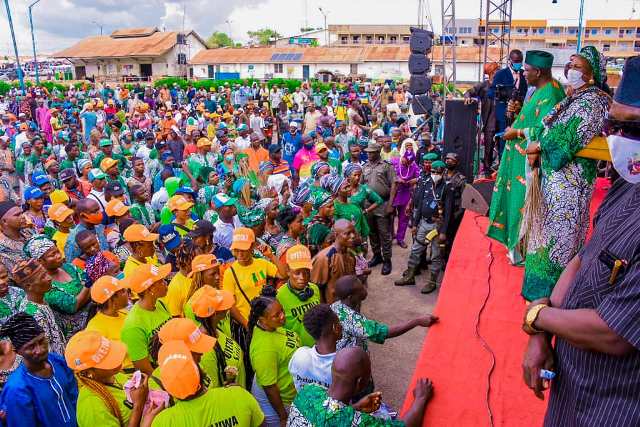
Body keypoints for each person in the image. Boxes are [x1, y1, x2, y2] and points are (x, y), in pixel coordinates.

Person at [521, 55, 640, 426]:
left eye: (632, 126)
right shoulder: (628, 185)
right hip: (570, 384)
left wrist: (538, 316)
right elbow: (582, 259)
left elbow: (614, 333)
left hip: (612, 404)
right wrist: (542, 332)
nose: (617, 136)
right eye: (614, 123)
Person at [520, 46, 610, 301]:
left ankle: (551, 299)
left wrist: (539, 144)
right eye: (570, 65)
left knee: (559, 240)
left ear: (592, 73)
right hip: (553, 182)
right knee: (543, 236)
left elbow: (567, 137)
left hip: (569, 186)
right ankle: (536, 295)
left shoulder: (594, 101)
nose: (571, 70)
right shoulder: (575, 96)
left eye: (578, 66)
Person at [487, 50, 565, 264]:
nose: (523, 73)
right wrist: (520, 110)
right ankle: (515, 246)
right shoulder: (538, 89)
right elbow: (534, 116)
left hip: (529, 164)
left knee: (524, 206)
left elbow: (548, 131)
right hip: (518, 160)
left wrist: (518, 133)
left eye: (527, 70)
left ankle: (522, 251)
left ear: (538, 71)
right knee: (515, 203)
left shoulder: (553, 93)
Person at [287, 346, 433, 427]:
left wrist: (356, 407)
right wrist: (420, 398)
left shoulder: (309, 390)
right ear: (359, 383)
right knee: (385, 413)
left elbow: (325, 415)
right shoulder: (356, 422)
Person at [150, 340, 265, 427]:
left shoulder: (164, 421)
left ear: (168, 389)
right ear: (201, 373)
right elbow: (260, 423)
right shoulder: (239, 395)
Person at [0, 312, 78, 427]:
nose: (40, 350)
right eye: (31, 347)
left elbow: (75, 398)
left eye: (41, 341)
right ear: (17, 351)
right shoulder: (17, 389)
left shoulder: (58, 362)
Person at [64, 330, 154, 427]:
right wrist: (138, 406)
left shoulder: (114, 375)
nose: (118, 360)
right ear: (89, 373)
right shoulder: (91, 406)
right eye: (107, 361)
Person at [332, 275, 438, 352]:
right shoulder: (353, 321)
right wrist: (417, 321)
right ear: (350, 297)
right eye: (361, 289)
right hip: (351, 365)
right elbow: (384, 332)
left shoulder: (337, 305)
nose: (365, 289)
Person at [394, 160, 453, 293]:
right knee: (415, 250)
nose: (434, 174)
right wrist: (415, 224)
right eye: (433, 172)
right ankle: (410, 276)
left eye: (437, 172)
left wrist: (443, 231)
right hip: (424, 223)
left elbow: (448, 212)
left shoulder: (447, 187)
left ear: (443, 172)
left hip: (437, 226)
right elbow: (419, 205)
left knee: (436, 255)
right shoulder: (426, 184)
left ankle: (432, 282)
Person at [248, 286, 300, 426]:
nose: (282, 316)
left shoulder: (272, 327)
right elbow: (270, 387)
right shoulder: (264, 349)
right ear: (262, 319)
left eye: (282, 311)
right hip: (280, 403)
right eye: (276, 315)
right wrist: (283, 416)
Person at [25, 236, 91, 339]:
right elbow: (73, 306)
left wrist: (84, 293)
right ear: (40, 261)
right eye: (53, 255)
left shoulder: (69, 267)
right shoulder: (45, 285)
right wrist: (87, 286)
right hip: (76, 332)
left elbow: (90, 287)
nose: (59, 256)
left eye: (57, 251)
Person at [186, 285, 247, 389]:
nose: (227, 308)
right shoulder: (204, 352)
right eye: (222, 305)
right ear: (214, 314)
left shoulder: (216, 331)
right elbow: (214, 390)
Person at [223, 227, 280, 330]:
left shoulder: (262, 263)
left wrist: (271, 256)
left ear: (252, 246)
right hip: (248, 324)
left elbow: (283, 274)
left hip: (266, 320)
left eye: (244, 250)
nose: (240, 254)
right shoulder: (230, 273)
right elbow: (231, 305)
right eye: (237, 250)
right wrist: (246, 324)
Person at [120, 263, 172, 375]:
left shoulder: (160, 303)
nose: (165, 283)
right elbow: (145, 369)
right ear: (150, 289)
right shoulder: (133, 327)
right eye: (161, 281)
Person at [12, 259, 67, 355]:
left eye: (46, 273)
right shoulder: (35, 315)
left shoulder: (40, 298)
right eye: (43, 277)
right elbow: (46, 352)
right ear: (29, 286)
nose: (49, 278)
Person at [84, 275, 133, 371]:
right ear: (111, 300)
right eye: (123, 291)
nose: (127, 292)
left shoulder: (124, 313)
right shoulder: (95, 330)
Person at [288, 304, 341, 390]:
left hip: (303, 403)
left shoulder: (299, 355)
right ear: (335, 328)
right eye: (338, 322)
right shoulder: (342, 364)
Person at [362, 141, 397, 275]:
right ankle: (377, 256)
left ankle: (387, 260)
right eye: (368, 152)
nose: (368, 154)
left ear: (377, 152)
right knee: (372, 232)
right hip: (368, 205)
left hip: (383, 204)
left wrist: (390, 204)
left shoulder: (386, 166)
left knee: (384, 234)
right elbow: (361, 185)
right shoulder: (364, 166)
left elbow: (394, 185)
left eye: (371, 152)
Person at [276, 245, 321, 347]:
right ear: (288, 270)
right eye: (297, 273)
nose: (302, 277)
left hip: (317, 348)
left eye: (306, 272)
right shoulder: (279, 297)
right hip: (296, 352)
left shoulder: (314, 289)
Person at [490, 49, 528, 157]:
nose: (518, 64)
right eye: (516, 61)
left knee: (518, 140)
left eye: (520, 61)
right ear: (509, 61)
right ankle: (502, 164)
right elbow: (491, 92)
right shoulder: (501, 74)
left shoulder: (524, 74)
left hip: (520, 114)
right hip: (504, 115)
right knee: (504, 141)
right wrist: (502, 95)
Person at [465, 62, 500, 175]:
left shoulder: (502, 85)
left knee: (503, 148)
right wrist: (467, 97)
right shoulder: (483, 85)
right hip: (490, 122)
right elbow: (469, 92)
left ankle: (501, 170)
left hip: (502, 122)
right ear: (490, 73)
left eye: (498, 71)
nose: (497, 73)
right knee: (488, 149)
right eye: (495, 71)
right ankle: (487, 170)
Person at [311, 219, 356, 303]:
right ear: (336, 235)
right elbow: (316, 288)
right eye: (347, 233)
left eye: (353, 232)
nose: (353, 236)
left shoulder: (350, 254)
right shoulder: (324, 258)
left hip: (349, 304)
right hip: (333, 308)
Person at [391, 139, 421, 247]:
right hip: (394, 194)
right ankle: (391, 235)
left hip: (406, 194)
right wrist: (397, 178)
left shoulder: (413, 165)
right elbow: (386, 172)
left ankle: (400, 238)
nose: (406, 163)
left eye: (408, 162)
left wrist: (415, 180)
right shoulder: (394, 161)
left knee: (404, 218)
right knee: (390, 216)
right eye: (405, 161)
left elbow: (421, 177)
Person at [0, 200, 34, 273]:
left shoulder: (28, 231)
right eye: (17, 215)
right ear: (4, 221)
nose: (23, 217)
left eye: (22, 213)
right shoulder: (3, 249)